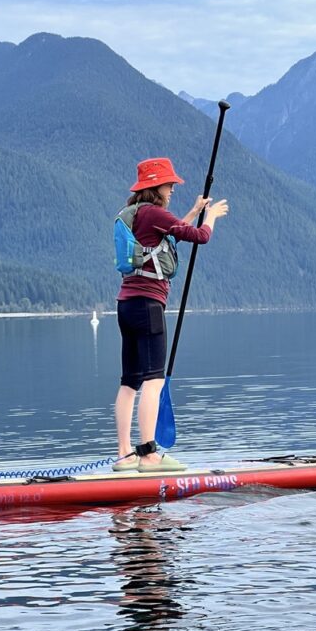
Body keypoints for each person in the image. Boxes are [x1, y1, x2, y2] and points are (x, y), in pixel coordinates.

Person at [113, 157, 228, 472]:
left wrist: (194, 211)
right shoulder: (155, 213)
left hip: (126, 305)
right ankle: (149, 455)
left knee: (130, 382)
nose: (172, 189)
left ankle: (124, 455)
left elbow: (168, 235)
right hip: (148, 307)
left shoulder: (136, 214)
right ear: (155, 187)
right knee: (153, 381)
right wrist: (212, 217)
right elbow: (199, 237)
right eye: (169, 184)